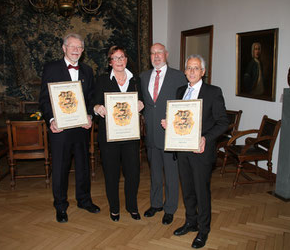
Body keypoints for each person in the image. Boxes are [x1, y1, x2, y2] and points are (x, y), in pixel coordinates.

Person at [163, 55, 228, 248]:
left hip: (201, 152)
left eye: (196, 68)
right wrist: (170, 124)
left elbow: (223, 122)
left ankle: (203, 230)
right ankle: (190, 222)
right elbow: (180, 119)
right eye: (189, 68)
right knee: (188, 190)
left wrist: (205, 138)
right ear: (185, 71)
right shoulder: (180, 90)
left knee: (201, 192)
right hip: (182, 150)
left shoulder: (213, 92)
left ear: (203, 72)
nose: (192, 71)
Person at [39, 33, 100, 223]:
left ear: (83, 50)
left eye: (80, 47)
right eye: (72, 46)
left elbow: (90, 98)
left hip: (81, 128)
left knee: (83, 166)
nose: (76, 50)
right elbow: (44, 99)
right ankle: (60, 206)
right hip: (60, 129)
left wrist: (90, 115)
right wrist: (50, 120)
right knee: (60, 168)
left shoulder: (88, 70)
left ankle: (84, 200)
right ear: (64, 48)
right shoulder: (51, 68)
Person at [92, 46, 144, 221]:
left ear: (126, 60)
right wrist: (98, 108)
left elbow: (142, 100)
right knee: (111, 174)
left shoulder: (135, 80)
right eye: (115, 58)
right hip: (109, 136)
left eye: (122, 57)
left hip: (130, 135)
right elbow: (94, 103)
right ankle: (114, 208)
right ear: (110, 62)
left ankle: (132, 206)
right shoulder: (102, 80)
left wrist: (141, 104)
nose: (119, 61)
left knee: (133, 173)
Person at [140, 43, 187, 225]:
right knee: (155, 173)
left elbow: (185, 106)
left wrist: (176, 125)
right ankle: (156, 204)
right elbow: (144, 103)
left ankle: (170, 208)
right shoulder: (143, 77)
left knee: (171, 174)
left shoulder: (178, 76)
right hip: (151, 134)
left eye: (159, 52)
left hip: (170, 134)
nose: (156, 56)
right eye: (152, 53)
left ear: (166, 54)